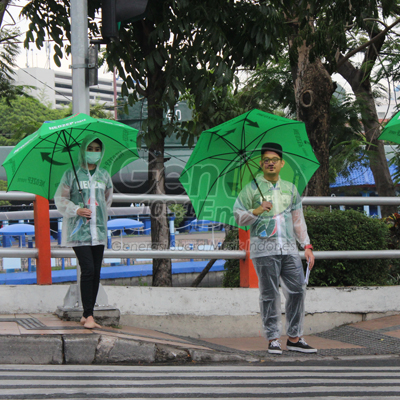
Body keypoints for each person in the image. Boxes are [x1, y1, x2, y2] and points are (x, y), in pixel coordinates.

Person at [233, 142, 316, 354]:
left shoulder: (290, 188)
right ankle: (273, 338)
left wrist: (306, 245)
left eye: (275, 160)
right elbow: (238, 216)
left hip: (288, 249)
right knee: (269, 294)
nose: (271, 163)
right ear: (261, 164)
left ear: (282, 163)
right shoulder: (250, 188)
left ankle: (295, 338)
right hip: (264, 250)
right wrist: (258, 210)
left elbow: (298, 220)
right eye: (266, 160)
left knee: (297, 290)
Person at [55, 134, 113, 329]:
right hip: (78, 231)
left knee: (96, 272)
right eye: (91, 149)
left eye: (97, 150)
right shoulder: (71, 174)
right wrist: (77, 209)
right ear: (83, 150)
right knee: (87, 269)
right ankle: (88, 315)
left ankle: (88, 314)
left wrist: (97, 212)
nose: (94, 153)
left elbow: (107, 199)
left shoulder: (104, 175)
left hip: (99, 230)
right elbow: (60, 199)